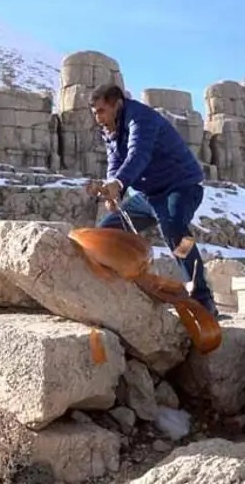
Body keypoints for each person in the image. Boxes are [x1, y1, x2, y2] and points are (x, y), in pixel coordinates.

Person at [87, 83, 221, 318]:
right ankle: (129, 294)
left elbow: (138, 154)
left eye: (101, 111)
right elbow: (115, 162)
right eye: (95, 113)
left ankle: (202, 298)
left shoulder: (141, 119)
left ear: (117, 104)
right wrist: (112, 189)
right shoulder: (110, 127)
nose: (98, 118)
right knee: (108, 231)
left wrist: (118, 184)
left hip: (181, 186)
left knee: (174, 229)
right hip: (150, 196)